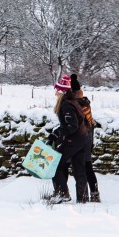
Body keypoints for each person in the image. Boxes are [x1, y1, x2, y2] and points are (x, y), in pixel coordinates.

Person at [48, 73, 90, 204]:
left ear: (62, 91)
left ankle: (62, 193)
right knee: (79, 170)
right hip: (82, 138)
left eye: (57, 89)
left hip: (74, 140)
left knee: (54, 165)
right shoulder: (72, 102)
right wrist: (57, 133)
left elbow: (71, 126)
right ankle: (82, 199)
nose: (55, 92)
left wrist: (57, 135)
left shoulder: (66, 105)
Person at [70, 74, 100, 203]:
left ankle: (91, 194)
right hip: (89, 135)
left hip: (83, 136)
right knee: (87, 165)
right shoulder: (84, 102)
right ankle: (94, 193)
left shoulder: (77, 105)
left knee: (85, 165)